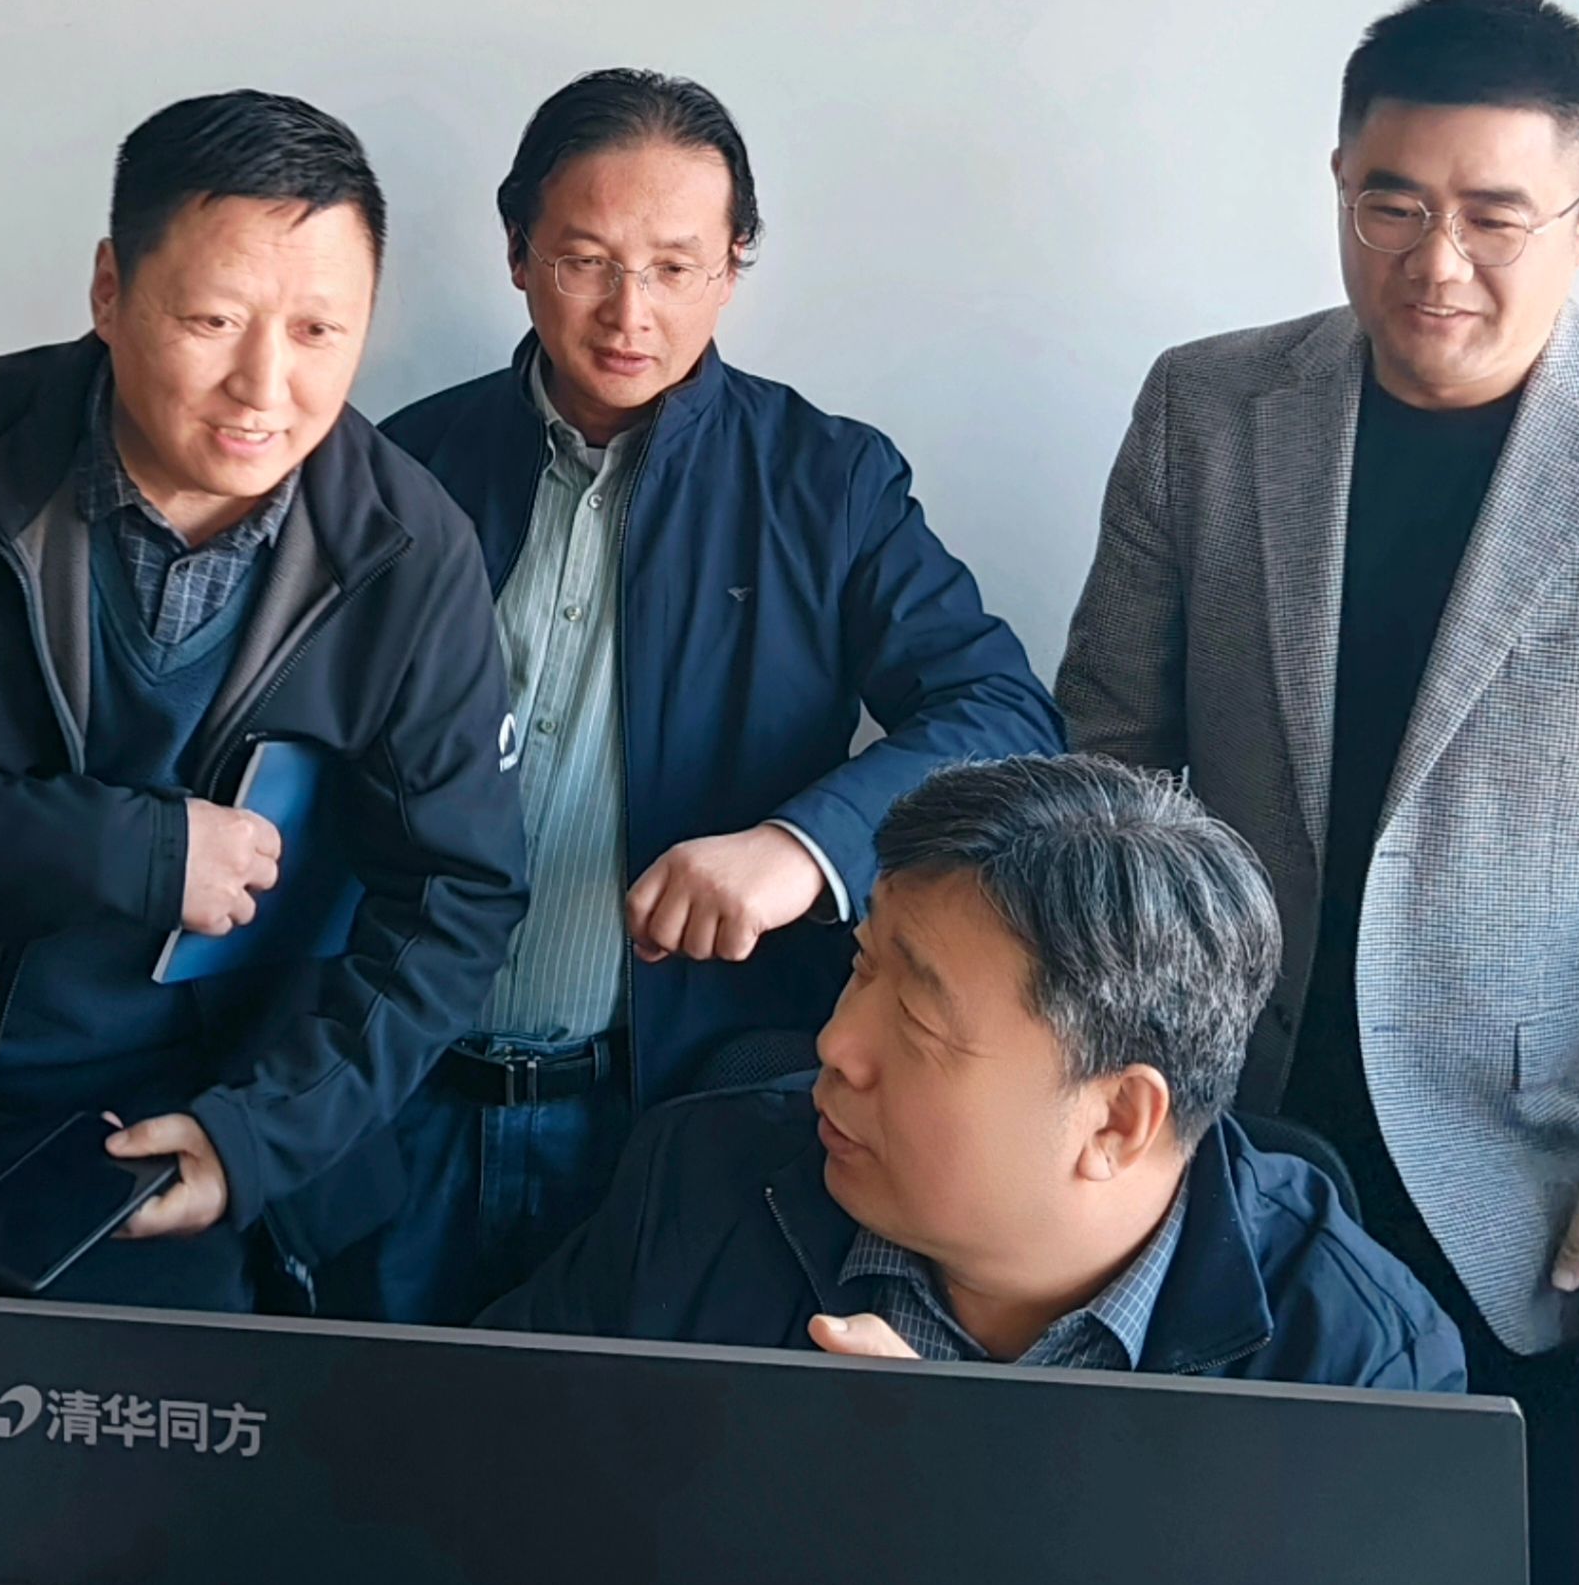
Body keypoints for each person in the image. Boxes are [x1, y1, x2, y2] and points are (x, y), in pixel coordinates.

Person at [1056, 0, 1579, 1585]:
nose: (1436, 261)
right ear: (1340, 182)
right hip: (1207, 1146)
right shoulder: (1210, 406)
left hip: (1531, 1201)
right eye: (1392, 201)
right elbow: (1101, 767)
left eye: (1495, 215)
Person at [0, 91, 529, 1585]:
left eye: (321, 331)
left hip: (185, 1151)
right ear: (109, 287)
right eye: (214, 319)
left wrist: (262, 1136)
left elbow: (457, 897)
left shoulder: (408, 546)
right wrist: (127, 849)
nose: (266, 384)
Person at [335, 70, 1058, 1323]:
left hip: (679, 1118)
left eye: (676, 267)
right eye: (586, 261)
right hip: (395, 1103)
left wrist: (801, 848)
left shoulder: (828, 483)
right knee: (360, 1430)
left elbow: (1003, 717)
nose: (632, 312)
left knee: (635, 1448)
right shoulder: (401, 465)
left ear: (733, 268)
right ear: (517, 254)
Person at [490, 754, 1465, 1393]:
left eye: (918, 1018)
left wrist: (970, 1484)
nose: (836, 1044)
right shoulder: (695, 1181)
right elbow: (482, 1501)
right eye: (861, 969)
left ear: (1117, 1121)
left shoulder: (1356, 1359)